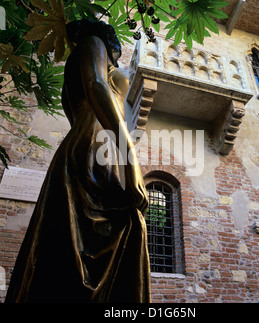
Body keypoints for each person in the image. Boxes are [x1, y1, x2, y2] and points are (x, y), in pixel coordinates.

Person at [5, 19, 151, 303]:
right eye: (117, 48)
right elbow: (97, 87)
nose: (119, 54)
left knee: (127, 224)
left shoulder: (91, 56)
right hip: (93, 147)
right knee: (127, 222)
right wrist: (130, 159)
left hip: (100, 149)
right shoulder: (92, 44)